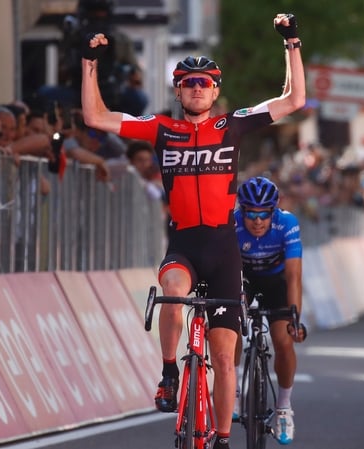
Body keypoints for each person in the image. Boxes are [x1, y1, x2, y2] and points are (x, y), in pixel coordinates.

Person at [80, 13, 305, 449]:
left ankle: (222, 439)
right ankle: (169, 374)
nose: (197, 88)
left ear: (216, 91)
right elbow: (96, 117)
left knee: (223, 357)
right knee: (173, 293)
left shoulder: (232, 125)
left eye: (205, 83)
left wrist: (291, 41)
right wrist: (90, 61)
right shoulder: (163, 129)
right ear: (178, 91)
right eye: (189, 83)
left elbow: (293, 100)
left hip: (224, 249)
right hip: (184, 244)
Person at [233, 176, 305, 445]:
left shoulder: (287, 223)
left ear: (274, 210)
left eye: (264, 214)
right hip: (244, 279)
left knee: (284, 341)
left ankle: (284, 407)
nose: (258, 221)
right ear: (242, 210)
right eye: (251, 213)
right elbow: (225, 271)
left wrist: (294, 318)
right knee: (229, 328)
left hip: (277, 282)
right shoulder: (232, 223)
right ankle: (234, 391)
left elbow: (294, 276)